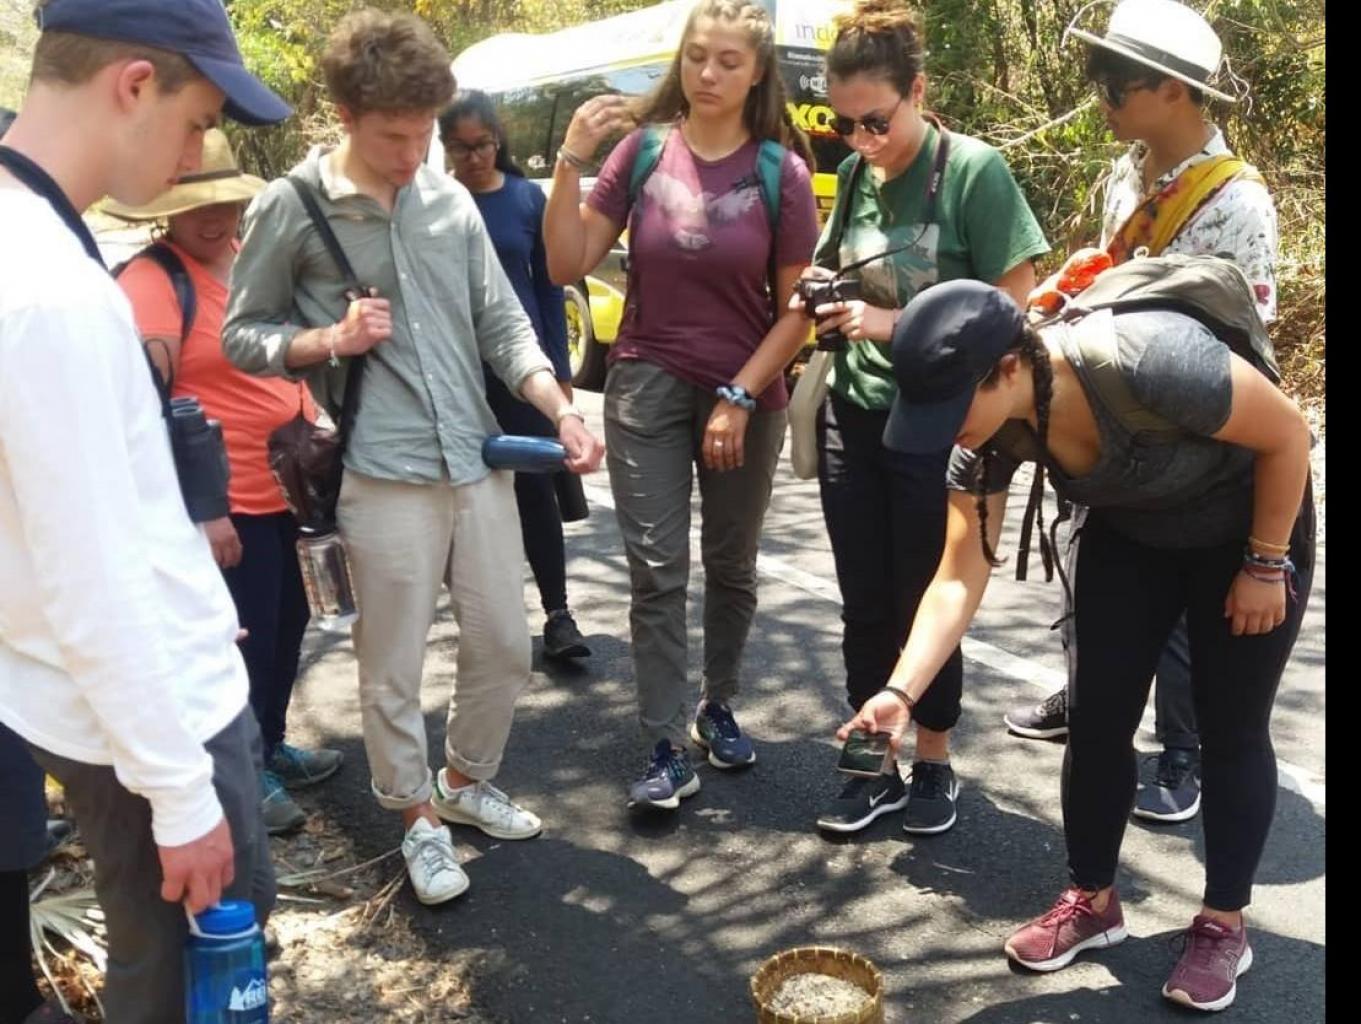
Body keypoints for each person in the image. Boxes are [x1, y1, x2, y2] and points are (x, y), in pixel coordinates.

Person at [841, 276, 1313, 1012]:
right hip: (1128, 533)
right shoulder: (984, 440)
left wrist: (1264, 562)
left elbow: (1287, 433)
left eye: (949, 407)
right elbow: (956, 577)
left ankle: (1223, 923)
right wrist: (900, 692)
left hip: (1244, 530)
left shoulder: (1145, 358)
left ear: (1006, 367)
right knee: (1095, 719)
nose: (942, 428)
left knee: (1230, 727)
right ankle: (1092, 901)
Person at [224, 9, 603, 906]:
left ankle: (464, 782)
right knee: (391, 666)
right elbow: (243, 333)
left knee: (505, 644)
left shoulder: (447, 203)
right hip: (379, 471)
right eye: (393, 136)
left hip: (474, 459)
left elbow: (501, 321)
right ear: (346, 116)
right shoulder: (292, 206)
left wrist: (559, 406)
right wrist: (327, 340)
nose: (412, 154)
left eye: (423, 133)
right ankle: (416, 820)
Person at [0, 1, 291, 1020]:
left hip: (103, 697)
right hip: (147, 723)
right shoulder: (48, 290)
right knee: (186, 975)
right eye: (197, 118)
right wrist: (178, 793)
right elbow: (89, 571)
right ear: (133, 85)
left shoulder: (26, 240)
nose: (195, 152)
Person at [1003, 0, 1280, 827]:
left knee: (1184, 591)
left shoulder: (1236, 200)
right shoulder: (1127, 176)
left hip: (1188, 424)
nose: (1101, 98)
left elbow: (1244, 330)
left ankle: (1180, 747)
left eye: (1114, 84)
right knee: (1091, 562)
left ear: (1172, 91)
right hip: (1104, 409)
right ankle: (1090, 693)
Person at [542, 0, 820, 811]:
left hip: (746, 392)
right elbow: (565, 263)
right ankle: (664, 744)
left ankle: (717, 703)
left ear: (757, 74)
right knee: (656, 570)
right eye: (697, 56)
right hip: (646, 382)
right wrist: (570, 159)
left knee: (730, 563)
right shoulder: (641, 152)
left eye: (728, 61)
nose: (707, 73)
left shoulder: (781, 172)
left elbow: (797, 310)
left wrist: (739, 394)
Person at [799, 0, 1048, 837]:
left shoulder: (973, 172)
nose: (861, 141)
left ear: (917, 92)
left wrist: (889, 323)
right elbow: (834, 260)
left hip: (943, 421)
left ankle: (934, 759)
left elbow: (1012, 304)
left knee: (926, 592)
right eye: (844, 126)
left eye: (875, 121)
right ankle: (871, 765)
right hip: (854, 410)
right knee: (864, 600)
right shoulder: (858, 175)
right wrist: (816, 287)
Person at [106, 128, 342, 836]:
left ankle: (270, 743)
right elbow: (146, 407)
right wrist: (203, 510)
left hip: (290, 488)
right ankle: (240, 770)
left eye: (224, 202)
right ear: (166, 210)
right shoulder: (154, 281)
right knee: (239, 641)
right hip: (223, 502)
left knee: (289, 626)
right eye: (194, 205)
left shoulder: (251, 260)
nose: (212, 217)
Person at [440, 91, 591, 662]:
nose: (475, 157)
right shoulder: (437, 203)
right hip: (459, 373)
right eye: (461, 148)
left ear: (498, 140)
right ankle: (493, 621)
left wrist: (561, 374)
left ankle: (558, 615)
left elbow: (550, 288)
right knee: (470, 498)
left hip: (523, 370)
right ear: (445, 148)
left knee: (534, 490)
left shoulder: (527, 198)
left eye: (483, 145)